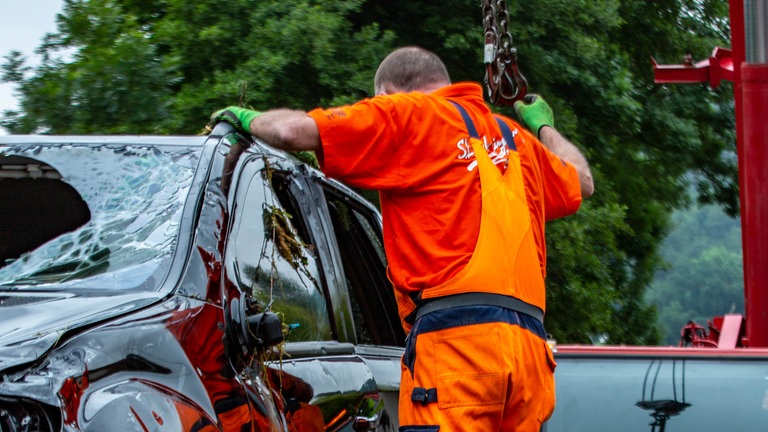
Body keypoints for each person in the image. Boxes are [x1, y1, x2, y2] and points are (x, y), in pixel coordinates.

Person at [211, 46, 593, 432]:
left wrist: (247, 118)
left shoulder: (409, 115)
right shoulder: (516, 141)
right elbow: (582, 182)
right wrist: (542, 125)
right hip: (529, 357)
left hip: (459, 352)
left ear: (387, 95)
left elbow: (291, 131)